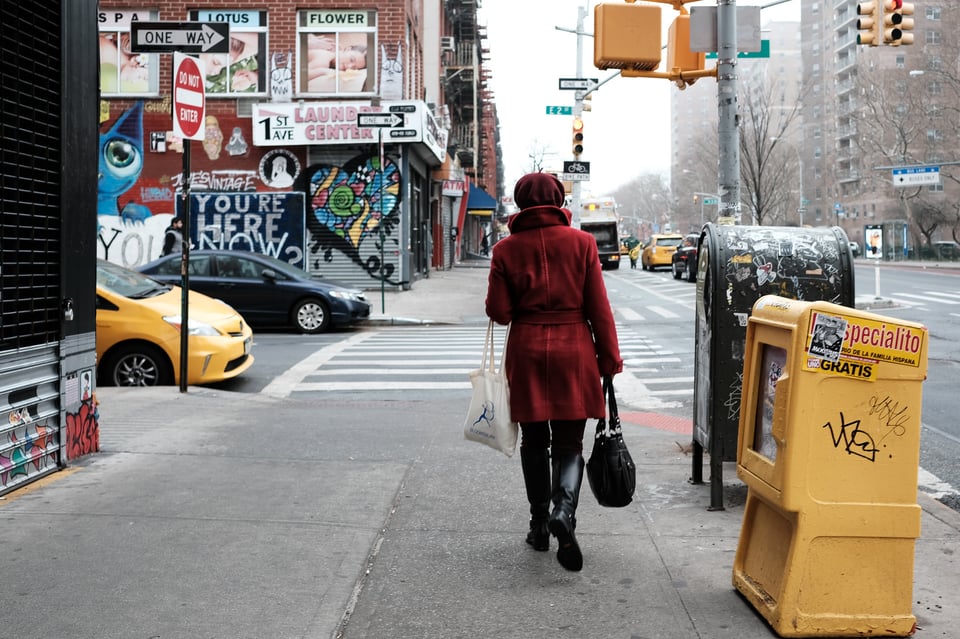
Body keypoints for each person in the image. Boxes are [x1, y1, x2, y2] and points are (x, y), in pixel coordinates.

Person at [485, 172, 623, 572]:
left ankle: (540, 524)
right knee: (569, 444)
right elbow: (599, 307)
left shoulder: (505, 250)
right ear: (559, 199)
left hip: (527, 348)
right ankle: (565, 510)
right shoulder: (582, 244)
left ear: (520, 202)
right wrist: (609, 359)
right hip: (574, 350)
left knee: (533, 441)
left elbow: (500, 312)